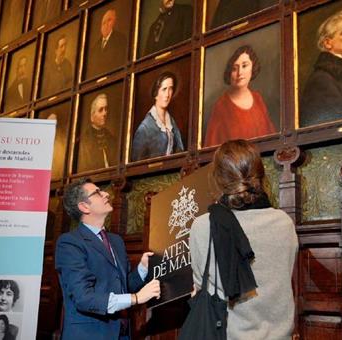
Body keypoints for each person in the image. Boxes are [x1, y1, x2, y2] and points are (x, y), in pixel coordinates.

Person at [189, 139, 298, 339]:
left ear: (218, 178)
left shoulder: (203, 226)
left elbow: (200, 289)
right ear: (260, 175)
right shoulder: (284, 223)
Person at [55, 178, 161, 339]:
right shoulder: (69, 243)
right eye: (97, 193)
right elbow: (84, 298)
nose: (105, 194)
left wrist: (142, 269)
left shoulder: (116, 241)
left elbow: (124, 287)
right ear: (84, 206)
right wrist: (137, 298)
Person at [204, 45, 276, 147]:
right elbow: (211, 149)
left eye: (244, 66)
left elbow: (271, 138)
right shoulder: (221, 107)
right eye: (234, 68)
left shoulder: (258, 98)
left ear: (253, 67)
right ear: (229, 73)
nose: (239, 73)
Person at [131, 71, 184, 161]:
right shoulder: (145, 128)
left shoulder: (171, 123)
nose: (167, 95)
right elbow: (136, 162)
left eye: (170, 89)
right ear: (156, 93)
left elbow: (180, 151)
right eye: (164, 89)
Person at [77, 93, 118, 172]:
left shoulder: (111, 138)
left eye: (106, 109)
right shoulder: (84, 140)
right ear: (92, 116)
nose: (105, 113)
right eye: (100, 110)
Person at [88, 8, 128, 78]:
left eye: (109, 20)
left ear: (115, 22)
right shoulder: (95, 48)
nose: (106, 24)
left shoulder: (121, 40)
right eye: (103, 23)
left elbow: (120, 64)